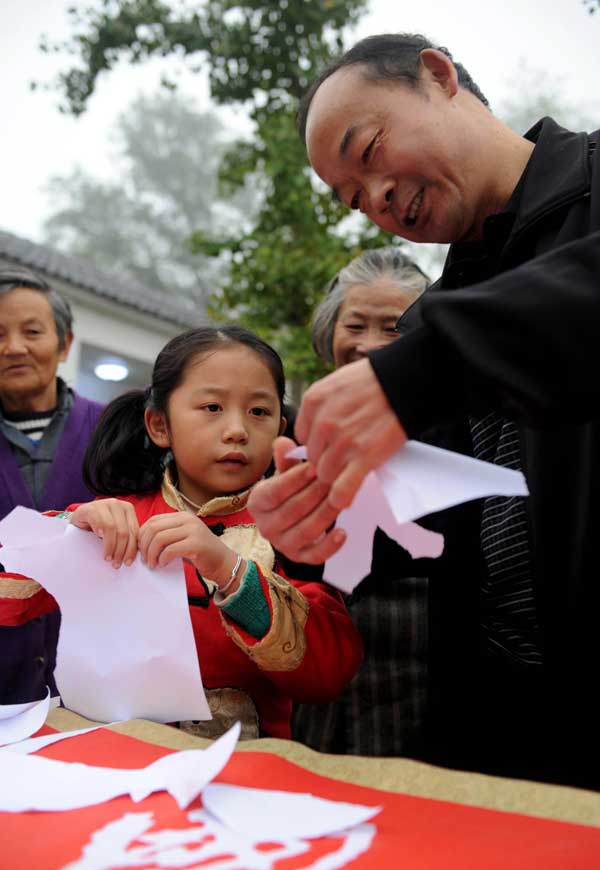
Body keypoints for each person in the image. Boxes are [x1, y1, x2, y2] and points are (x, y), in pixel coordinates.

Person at [249, 34, 600, 788]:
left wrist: (427, 366)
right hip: (503, 713)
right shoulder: (433, 319)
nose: (373, 199)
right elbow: (434, 525)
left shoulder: (589, 188)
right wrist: (319, 527)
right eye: (351, 197)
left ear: (438, 75)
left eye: (369, 151)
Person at [0, 326, 362, 736]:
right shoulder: (115, 521)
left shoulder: (296, 528)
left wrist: (230, 571)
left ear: (280, 427)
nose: (237, 430)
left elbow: (329, 674)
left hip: (239, 774)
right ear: (159, 425)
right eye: (212, 407)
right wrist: (69, 532)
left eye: (258, 412)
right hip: (115, 764)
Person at [293, 246, 431, 755]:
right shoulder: (297, 430)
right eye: (355, 325)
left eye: (394, 327)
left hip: (429, 667)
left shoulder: (462, 427)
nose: (370, 346)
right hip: (321, 666)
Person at [0, 266, 103, 706]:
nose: (14, 348)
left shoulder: (112, 432)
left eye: (32, 332)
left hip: (96, 689)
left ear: (64, 344)